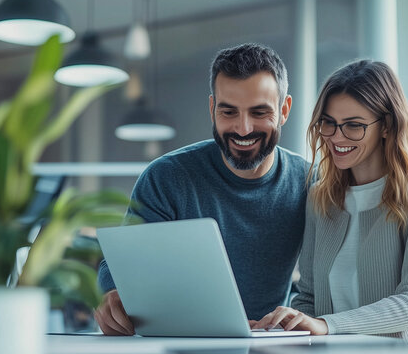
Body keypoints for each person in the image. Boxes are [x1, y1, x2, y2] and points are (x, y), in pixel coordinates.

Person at [94, 43, 310, 336]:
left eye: (260, 112)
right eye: (228, 112)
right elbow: (121, 263)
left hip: (269, 343)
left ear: (284, 110)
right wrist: (112, 293)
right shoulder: (166, 177)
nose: (243, 128)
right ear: (212, 109)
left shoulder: (310, 182)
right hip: (180, 341)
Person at [252, 59, 408, 344]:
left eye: (354, 126)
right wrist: (281, 326)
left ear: (386, 126)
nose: (337, 137)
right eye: (329, 123)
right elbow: (309, 298)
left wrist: (326, 325)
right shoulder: (320, 197)